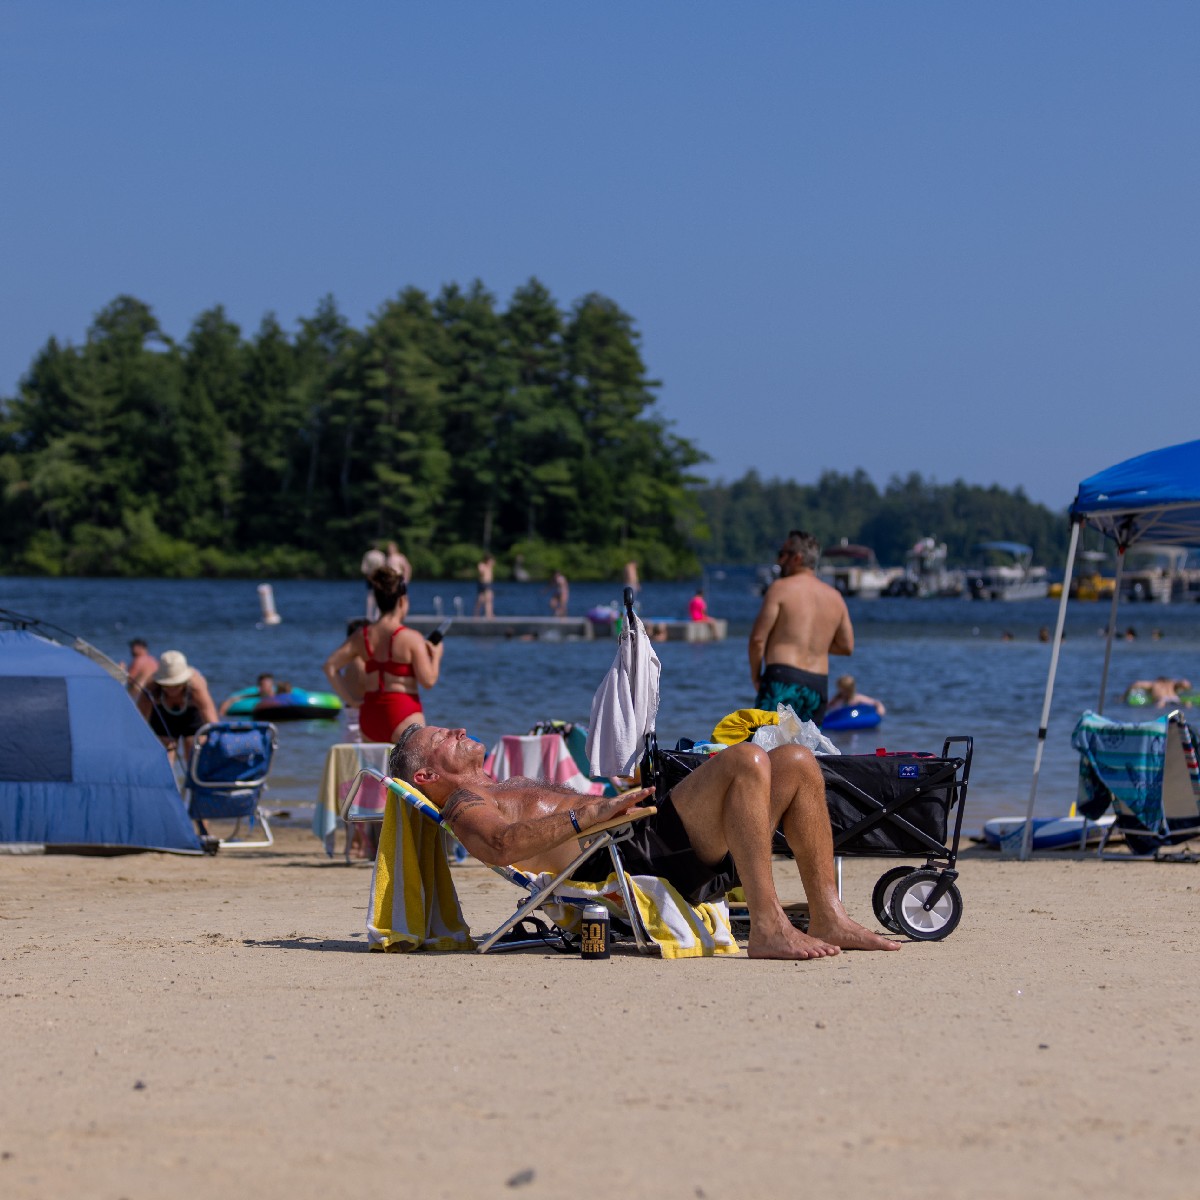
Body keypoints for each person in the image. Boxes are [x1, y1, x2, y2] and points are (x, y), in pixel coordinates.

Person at [390, 724, 900, 960]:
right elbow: (501, 846)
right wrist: (590, 813)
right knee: (748, 760)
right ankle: (768, 926)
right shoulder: (464, 805)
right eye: (442, 738)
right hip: (625, 861)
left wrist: (609, 799)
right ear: (429, 773)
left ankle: (828, 914)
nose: (457, 729)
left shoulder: (499, 784)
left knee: (796, 761)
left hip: (640, 839)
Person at [323, 568, 443, 744]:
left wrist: (352, 700)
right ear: (402, 601)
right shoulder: (411, 638)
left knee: (375, 771)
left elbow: (330, 666)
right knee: (413, 770)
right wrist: (437, 654)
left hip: (370, 715)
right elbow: (428, 681)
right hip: (403, 712)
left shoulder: (362, 636)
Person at [748, 530, 853, 725]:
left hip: (782, 679)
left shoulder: (780, 588)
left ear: (797, 558)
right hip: (817, 685)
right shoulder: (835, 597)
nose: (779, 561)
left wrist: (756, 677)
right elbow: (847, 646)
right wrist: (816, 644)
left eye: (782, 554)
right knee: (804, 751)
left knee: (765, 748)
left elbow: (757, 640)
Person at [137, 651, 218, 765]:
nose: (171, 689)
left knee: (194, 754)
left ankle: (192, 781)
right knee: (165, 756)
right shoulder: (151, 688)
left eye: (176, 685)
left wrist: (218, 740)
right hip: (163, 715)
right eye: (167, 685)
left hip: (191, 714)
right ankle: (167, 781)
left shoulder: (196, 687)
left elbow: (211, 720)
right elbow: (139, 719)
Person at [1125, 676, 1193, 708]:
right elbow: (1184, 683)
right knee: (1186, 703)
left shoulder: (1153, 684)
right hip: (1175, 698)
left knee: (1160, 705)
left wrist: (1124, 696)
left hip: (1162, 699)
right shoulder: (1172, 683)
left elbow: (1136, 683)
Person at [361, 545, 386, 620]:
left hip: (370, 576)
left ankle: (368, 614)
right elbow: (383, 566)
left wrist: (368, 575)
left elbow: (363, 568)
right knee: (379, 594)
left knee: (370, 595)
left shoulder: (367, 554)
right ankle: (377, 614)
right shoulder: (381, 555)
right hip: (379, 576)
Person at [474, 554, 495, 618]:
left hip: (488, 584)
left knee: (489, 599)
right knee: (481, 599)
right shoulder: (482, 565)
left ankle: (489, 614)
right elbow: (481, 572)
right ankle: (477, 614)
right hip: (483, 583)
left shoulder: (490, 566)